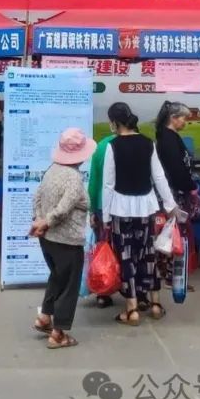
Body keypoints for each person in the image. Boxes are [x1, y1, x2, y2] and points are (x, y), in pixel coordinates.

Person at [102, 102, 177, 325]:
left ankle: (132, 309)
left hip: (120, 208)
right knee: (148, 254)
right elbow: (159, 177)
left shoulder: (112, 146)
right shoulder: (148, 143)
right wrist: (170, 204)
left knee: (126, 257)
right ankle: (155, 304)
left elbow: (108, 185)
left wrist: (105, 217)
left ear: (115, 123)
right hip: (146, 207)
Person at [30, 127, 95, 349]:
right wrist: (47, 221)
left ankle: (44, 317)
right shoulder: (74, 178)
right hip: (67, 240)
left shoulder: (52, 170)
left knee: (57, 277)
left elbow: (37, 197)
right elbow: (64, 209)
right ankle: (58, 333)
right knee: (69, 286)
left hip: (48, 239)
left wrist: (39, 221)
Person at [153, 101, 200, 284]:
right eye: (183, 118)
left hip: (176, 192)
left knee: (174, 232)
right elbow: (176, 169)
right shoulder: (168, 139)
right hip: (173, 195)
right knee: (172, 233)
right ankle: (170, 275)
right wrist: (191, 186)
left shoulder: (169, 137)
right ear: (173, 118)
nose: (185, 122)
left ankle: (172, 274)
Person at [87, 123, 117, 309]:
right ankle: (130, 290)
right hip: (126, 207)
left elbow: (94, 181)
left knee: (103, 249)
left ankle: (103, 293)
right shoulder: (136, 143)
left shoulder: (101, 146)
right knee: (125, 250)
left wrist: (91, 210)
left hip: (100, 204)